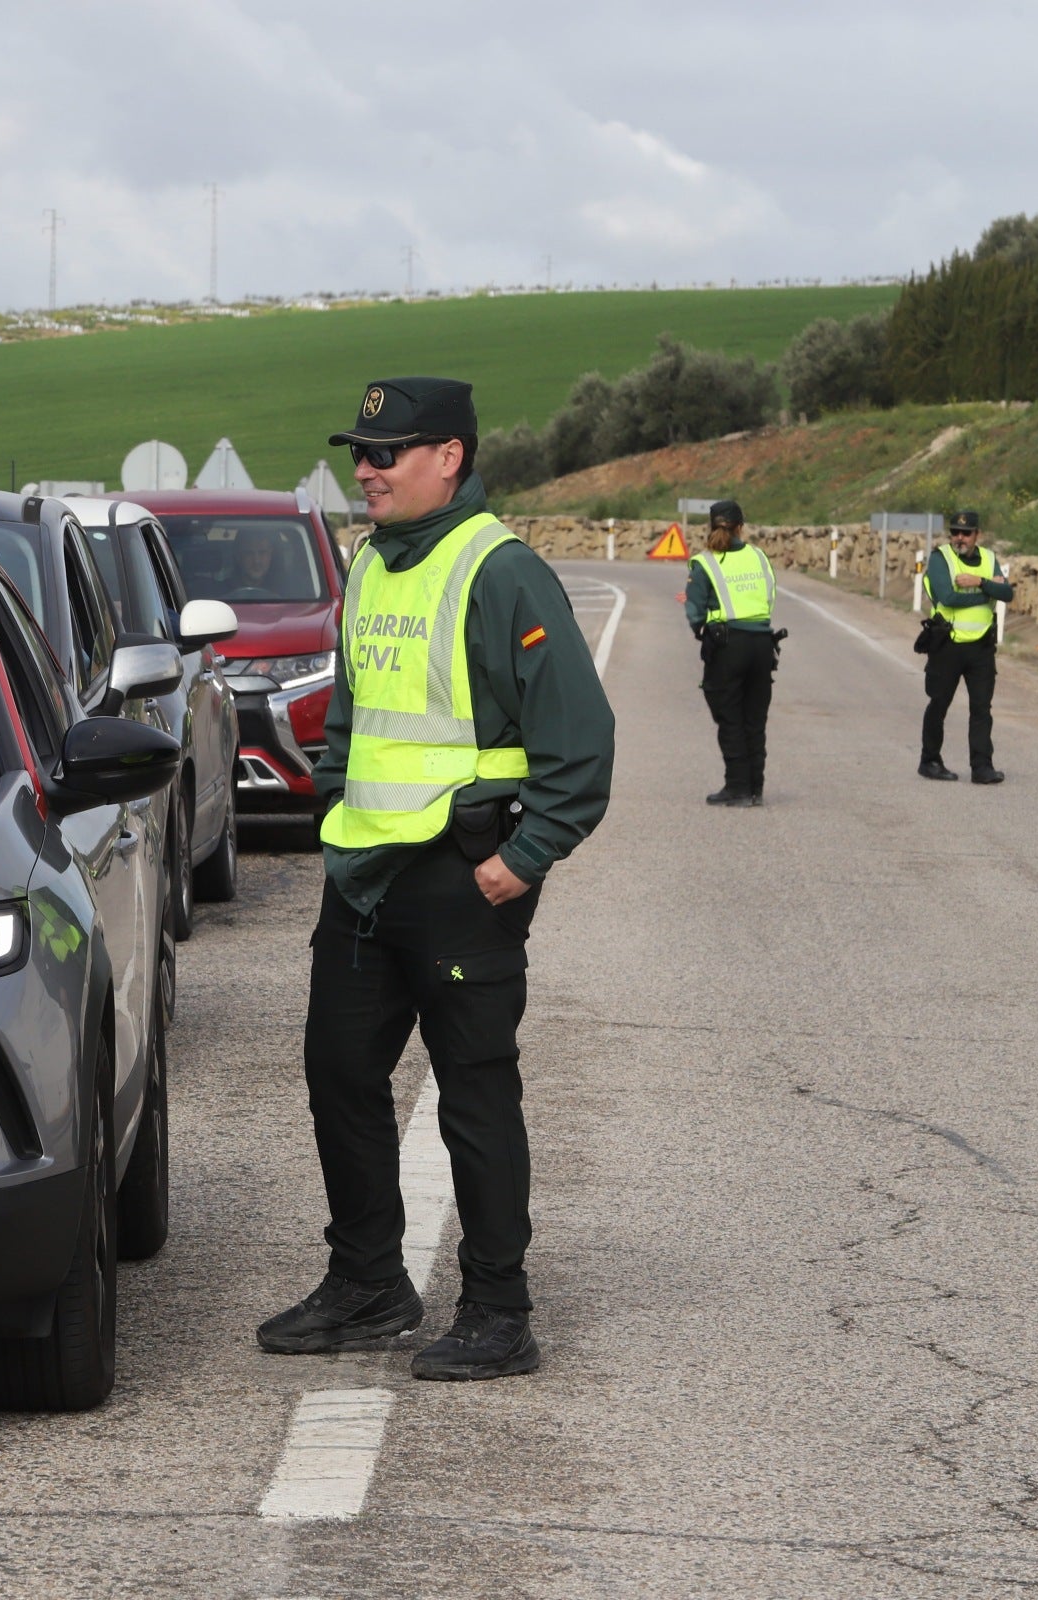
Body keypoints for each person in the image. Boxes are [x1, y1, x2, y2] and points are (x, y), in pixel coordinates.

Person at [255, 377, 614, 1382]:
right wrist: (333, 821)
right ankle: (368, 1284)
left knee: (474, 1096)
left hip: (463, 882)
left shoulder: (501, 571)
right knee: (339, 1073)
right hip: (364, 877)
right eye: (359, 453)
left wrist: (523, 858)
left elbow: (581, 741)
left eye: (387, 452)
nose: (364, 468)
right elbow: (354, 718)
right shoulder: (369, 563)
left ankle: (500, 1309)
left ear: (448, 457)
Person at [683, 500, 778, 806]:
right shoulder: (759, 557)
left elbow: (694, 611)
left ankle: (737, 785)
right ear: (741, 526)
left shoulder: (704, 562)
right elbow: (770, 595)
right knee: (755, 718)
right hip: (763, 643)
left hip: (727, 646)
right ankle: (756, 788)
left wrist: (704, 632)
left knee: (729, 717)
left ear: (712, 526)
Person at [919, 510, 1009, 784]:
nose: (960, 538)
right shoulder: (940, 558)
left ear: (976, 535)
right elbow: (947, 596)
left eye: (966, 533)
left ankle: (982, 767)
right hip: (947, 644)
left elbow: (1008, 593)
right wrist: (987, 592)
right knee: (939, 704)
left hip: (981, 647)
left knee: (981, 709)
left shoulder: (989, 559)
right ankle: (930, 760)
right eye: (955, 532)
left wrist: (979, 581)